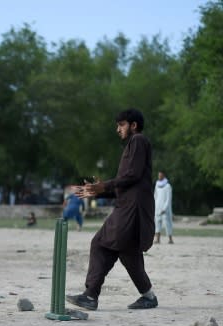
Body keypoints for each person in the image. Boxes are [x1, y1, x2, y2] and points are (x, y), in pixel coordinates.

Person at [66, 109, 158, 311]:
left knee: (100, 244)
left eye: (121, 124)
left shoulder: (138, 141)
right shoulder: (133, 147)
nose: (118, 129)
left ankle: (90, 296)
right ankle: (149, 296)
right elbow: (125, 186)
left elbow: (132, 176)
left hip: (131, 210)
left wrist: (104, 186)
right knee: (128, 253)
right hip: (130, 207)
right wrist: (97, 192)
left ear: (133, 125)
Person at [154, 171, 173, 244]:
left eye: (160, 175)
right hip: (158, 207)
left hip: (165, 209)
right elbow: (155, 196)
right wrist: (154, 206)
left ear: (163, 175)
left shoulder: (168, 186)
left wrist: (164, 208)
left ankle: (170, 239)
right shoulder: (157, 184)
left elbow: (168, 199)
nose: (159, 176)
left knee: (167, 224)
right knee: (157, 223)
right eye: (158, 175)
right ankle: (157, 239)